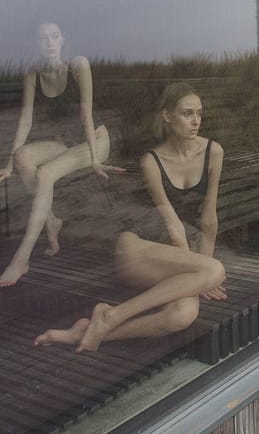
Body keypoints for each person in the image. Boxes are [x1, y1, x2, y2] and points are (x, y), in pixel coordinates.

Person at [35, 82, 227, 352]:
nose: (196, 121)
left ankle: (91, 330)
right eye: (187, 113)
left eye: (199, 113)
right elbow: (173, 225)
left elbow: (209, 218)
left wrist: (200, 270)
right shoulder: (151, 161)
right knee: (215, 269)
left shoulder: (213, 152)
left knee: (182, 315)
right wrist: (200, 270)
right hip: (136, 251)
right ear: (167, 116)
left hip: (173, 259)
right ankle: (113, 315)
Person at [0, 22, 122, 287]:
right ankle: (51, 220)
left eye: (55, 37)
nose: (49, 43)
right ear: (36, 42)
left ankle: (21, 259)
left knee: (45, 173)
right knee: (22, 158)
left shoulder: (78, 65)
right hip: (66, 144)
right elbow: (25, 121)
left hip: (95, 141)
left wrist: (94, 159)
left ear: (63, 39)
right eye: (43, 38)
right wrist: (9, 165)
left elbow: (86, 115)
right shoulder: (33, 72)